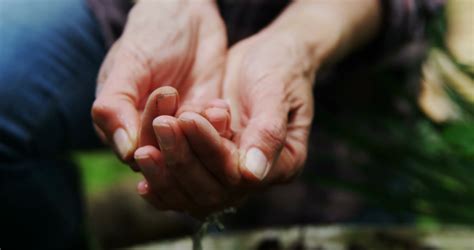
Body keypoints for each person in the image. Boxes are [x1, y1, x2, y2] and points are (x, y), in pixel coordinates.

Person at [0, 0, 445, 249]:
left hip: (352, 57)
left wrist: (301, 43)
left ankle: (138, 217)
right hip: (144, 15)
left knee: (332, 233)